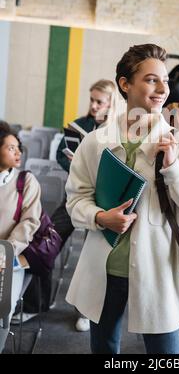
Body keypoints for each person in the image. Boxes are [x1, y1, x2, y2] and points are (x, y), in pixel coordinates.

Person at [65, 43, 179, 354]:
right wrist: (99, 217)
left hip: (157, 269)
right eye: (151, 79)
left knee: (166, 353)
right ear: (125, 84)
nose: (163, 88)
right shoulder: (95, 143)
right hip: (104, 269)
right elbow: (75, 200)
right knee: (105, 349)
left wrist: (174, 168)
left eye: (164, 80)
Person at [21, 80, 118, 332]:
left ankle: (85, 312)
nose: (94, 105)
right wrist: (76, 166)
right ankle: (37, 304)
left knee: (92, 257)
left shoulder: (117, 131)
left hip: (103, 203)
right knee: (44, 242)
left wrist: (87, 165)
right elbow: (60, 157)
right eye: (92, 99)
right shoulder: (79, 126)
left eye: (100, 101)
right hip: (74, 196)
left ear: (111, 103)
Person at [0, 121, 41, 353]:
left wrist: (6, 253)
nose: (18, 153)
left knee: (2, 309)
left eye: (18, 147)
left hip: (10, 260)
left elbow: (29, 223)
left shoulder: (26, 182)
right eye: (10, 148)